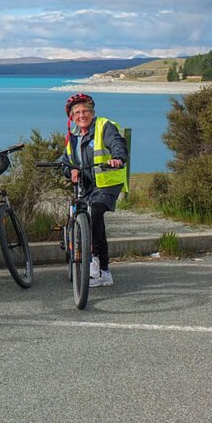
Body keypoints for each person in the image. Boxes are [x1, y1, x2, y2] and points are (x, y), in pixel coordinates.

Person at [62, 92, 128, 287]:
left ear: (92, 113)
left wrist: (117, 158)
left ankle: (95, 262)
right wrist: (70, 170)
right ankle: (104, 272)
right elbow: (66, 162)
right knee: (86, 216)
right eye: (77, 112)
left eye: (85, 111)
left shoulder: (103, 126)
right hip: (87, 186)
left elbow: (117, 143)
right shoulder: (72, 137)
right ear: (72, 117)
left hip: (107, 183)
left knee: (95, 211)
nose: (82, 115)